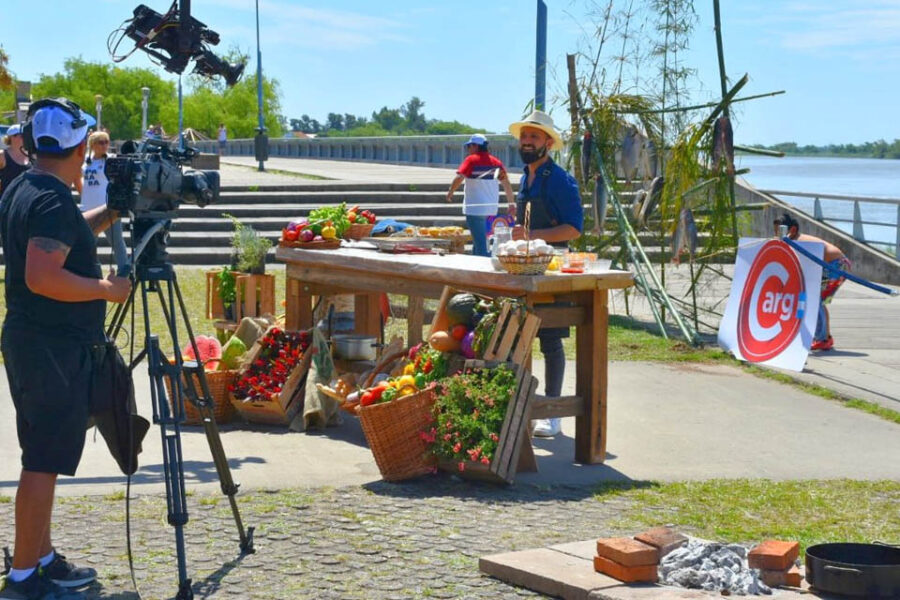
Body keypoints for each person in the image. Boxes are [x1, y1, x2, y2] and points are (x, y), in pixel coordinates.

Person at [0, 98, 131, 600]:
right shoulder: (53, 200)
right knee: (43, 458)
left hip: (34, 342)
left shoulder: (28, 187)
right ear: (78, 147)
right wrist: (105, 289)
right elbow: (42, 275)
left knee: (42, 455)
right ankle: (24, 578)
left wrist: (112, 211)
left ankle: (42, 558)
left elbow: (65, 237)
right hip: (50, 346)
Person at [508, 110, 583, 437]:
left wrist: (532, 235)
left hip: (554, 265)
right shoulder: (526, 176)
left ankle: (553, 412)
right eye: (525, 136)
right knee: (519, 336)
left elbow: (573, 229)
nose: (527, 142)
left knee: (551, 340)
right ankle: (522, 406)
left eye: (534, 137)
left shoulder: (561, 180)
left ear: (548, 143)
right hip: (526, 265)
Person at [775, 213, 850, 351]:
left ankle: (823, 338)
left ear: (791, 230)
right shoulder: (795, 240)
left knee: (816, 300)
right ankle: (824, 337)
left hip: (835, 265)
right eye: (776, 231)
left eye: (780, 231)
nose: (777, 234)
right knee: (816, 300)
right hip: (833, 265)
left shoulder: (798, 241)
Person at [445, 134, 515, 256]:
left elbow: (459, 177)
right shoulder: (496, 162)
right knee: (479, 241)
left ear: (475, 146)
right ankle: (475, 265)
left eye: (469, 146)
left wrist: (451, 191)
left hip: (475, 208)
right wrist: (511, 203)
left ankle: (485, 268)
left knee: (481, 245)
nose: (468, 149)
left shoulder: (471, 160)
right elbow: (506, 183)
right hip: (491, 209)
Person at [78, 131, 129, 274]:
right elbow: (79, 179)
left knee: (117, 242)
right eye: (101, 142)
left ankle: (124, 271)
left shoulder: (110, 160)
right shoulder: (86, 161)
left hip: (108, 207)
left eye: (107, 142)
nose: (105, 145)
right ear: (92, 145)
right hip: (88, 208)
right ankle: (92, 271)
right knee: (88, 244)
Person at [0, 124, 30, 194]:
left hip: (26, 199)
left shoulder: (31, 155)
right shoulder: (2, 155)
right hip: (7, 200)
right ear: (12, 137)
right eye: (22, 135)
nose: (25, 137)